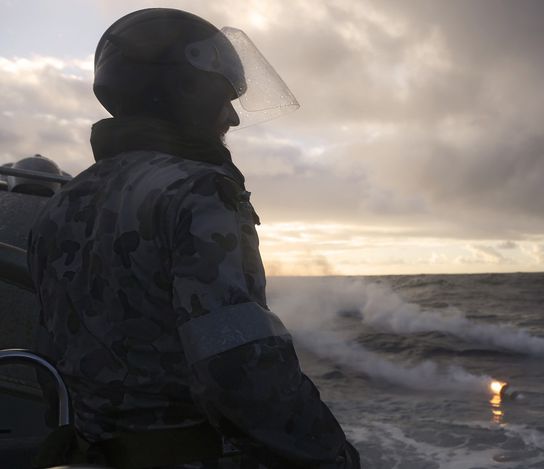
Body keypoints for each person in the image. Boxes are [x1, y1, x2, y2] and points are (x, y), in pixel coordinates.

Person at [28, 8, 359, 469]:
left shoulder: (61, 204)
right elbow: (239, 365)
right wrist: (333, 456)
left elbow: (52, 349)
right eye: (223, 96)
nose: (233, 117)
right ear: (182, 92)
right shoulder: (199, 190)